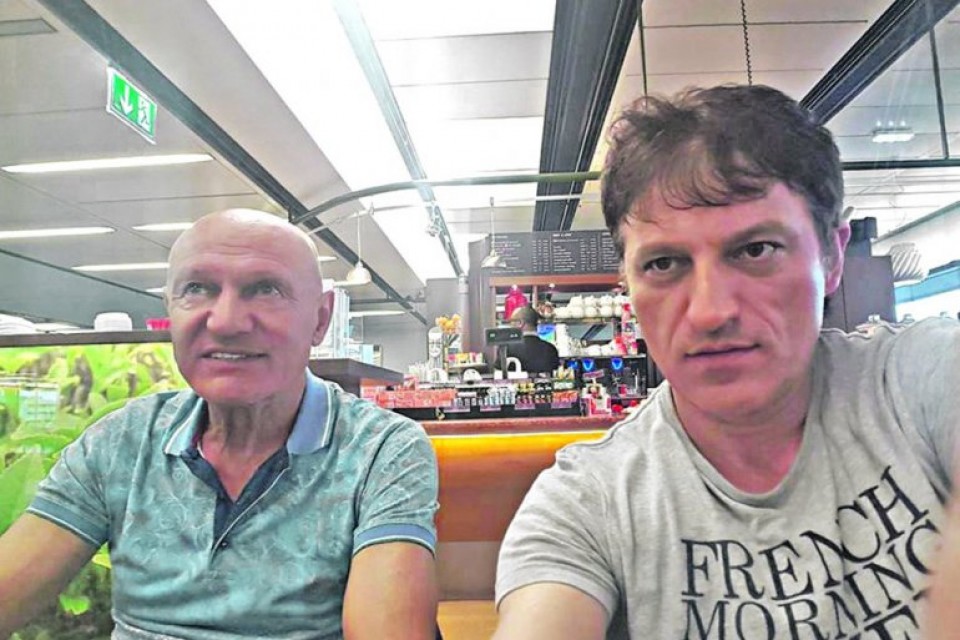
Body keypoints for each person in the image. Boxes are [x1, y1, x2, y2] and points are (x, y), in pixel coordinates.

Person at [493, 85, 960, 639]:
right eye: (664, 264)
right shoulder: (587, 502)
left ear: (832, 256)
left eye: (756, 250)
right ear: (629, 287)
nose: (711, 312)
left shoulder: (922, 379)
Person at [0, 209, 440, 639]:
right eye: (197, 288)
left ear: (320, 319)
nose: (226, 321)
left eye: (266, 289)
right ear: (170, 310)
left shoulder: (380, 450)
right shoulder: (123, 439)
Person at [501, 305, 560, 375]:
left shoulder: (506, 349)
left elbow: (499, 375)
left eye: (512, 321)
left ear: (520, 323)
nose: (510, 325)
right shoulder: (551, 349)